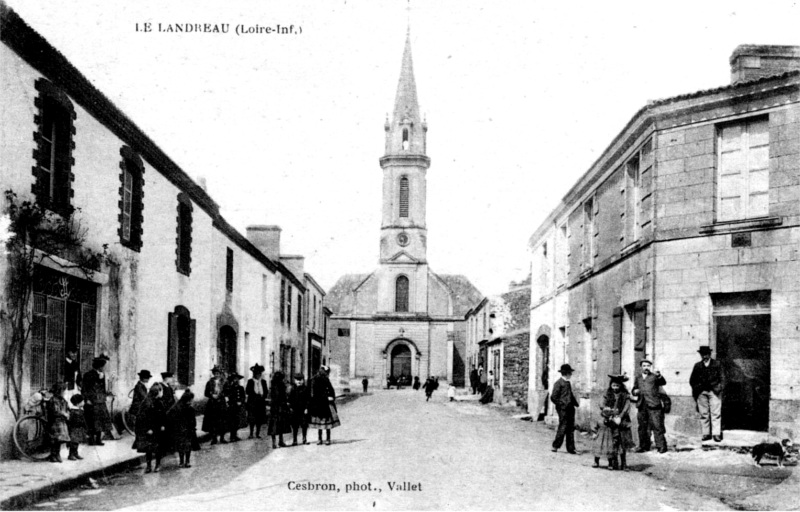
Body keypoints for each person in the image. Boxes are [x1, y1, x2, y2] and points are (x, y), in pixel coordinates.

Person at [592, 374, 635, 470]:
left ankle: (624, 463)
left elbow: (626, 407)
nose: (615, 388)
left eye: (617, 386)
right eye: (613, 386)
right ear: (611, 386)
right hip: (610, 419)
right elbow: (602, 404)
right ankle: (614, 461)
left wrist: (619, 417)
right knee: (612, 441)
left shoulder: (625, 395)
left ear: (621, 386)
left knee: (622, 441)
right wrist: (608, 413)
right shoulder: (607, 394)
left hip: (622, 420)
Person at [689, 346, 725, 442]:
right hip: (702, 392)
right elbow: (692, 380)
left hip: (714, 392)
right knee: (704, 413)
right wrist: (697, 389)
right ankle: (706, 434)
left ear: (709, 354)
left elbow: (723, 378)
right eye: (702, 354)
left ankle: (716, 434)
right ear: (700, 355)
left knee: (716, 413)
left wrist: (719, 388)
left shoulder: (717, 364)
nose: (704, 356)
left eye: (706, 354)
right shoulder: (697, 366)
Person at [632, 359, 668, 453]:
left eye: (648, 365)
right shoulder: (638, 377)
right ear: (641, 367)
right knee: (642, 427)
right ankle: (643, 446)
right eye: (644, 366)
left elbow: (663, 382)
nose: (646, 367)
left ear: (650, 367)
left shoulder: (654, 376)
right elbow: (634, 389)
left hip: (654, 404)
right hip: (642, 405)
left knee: (657, 426)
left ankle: (661, 446)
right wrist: (635, 391)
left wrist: (659, 375)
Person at [134, 383, 166, 473]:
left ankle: (157, 464)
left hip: (158, 428)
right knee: (149, 448)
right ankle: (148, 466)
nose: (162, 393)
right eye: (161, 391)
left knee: (158, 448)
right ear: (157, 392)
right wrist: (148, 429)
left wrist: (163, 425)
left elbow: (163, 415)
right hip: (150, 430)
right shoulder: (147, 403)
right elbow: (142, 418)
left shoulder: (159, 402)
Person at [82, 355, 112, 446]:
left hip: (100, 400)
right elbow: (84, 389)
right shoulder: (88, 375)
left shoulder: (102, 375)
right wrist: (86, 399)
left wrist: (105, 395)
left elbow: (102, 388)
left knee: (100, 421)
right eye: (103, 366)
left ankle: (98, 440)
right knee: (92, 421)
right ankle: (91, 440)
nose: (104, 368)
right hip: (92, 401)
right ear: (99, 366)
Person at [551, 363, 579, 454]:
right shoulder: (558, 383)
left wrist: (575, 403)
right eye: (570, 373)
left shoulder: (567, 383)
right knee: (563, 426)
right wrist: (561, 405)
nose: (571, 375)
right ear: (566, 373)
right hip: (563, 409)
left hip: (570, 408)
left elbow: (569, 395)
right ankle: (555, 446)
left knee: (570, 428)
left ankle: (571, 448)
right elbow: (553, 397)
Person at [309, 365, 339, 445]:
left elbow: (331, 390)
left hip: (323, 404)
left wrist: (332, 397)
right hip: (321, 404)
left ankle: (323, 439)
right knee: (325, 423)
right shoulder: (316, 380)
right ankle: (324, 439)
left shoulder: (322, 379)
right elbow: (315, 393)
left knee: (323, 423)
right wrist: (329, 397)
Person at [167, 390, 197, 469]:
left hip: (188, 430)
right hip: (180, 430)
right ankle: (181, 461)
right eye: (191, 400)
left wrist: (193, 427)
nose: (191, 401)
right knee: (181, 446)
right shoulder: (177, 407)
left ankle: (187, 461)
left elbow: (193, 419)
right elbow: (169, 416)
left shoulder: (189, 408)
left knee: (188, 446)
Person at [46, 382, 70, 463]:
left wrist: (68, 413)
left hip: (61, 421)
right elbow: (55, 411)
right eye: (63, 391)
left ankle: (57, 454)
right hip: (54, 421)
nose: (64, 392)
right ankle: (53, 455)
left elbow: (67, 408)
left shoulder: (62, 400)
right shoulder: (53, 400)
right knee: (55, 439)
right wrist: (64, 414)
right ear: (59, 391)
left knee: (59, 440)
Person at [202, 366, 227, 444]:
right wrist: (211, 395)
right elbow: (206, 393)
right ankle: (214, 438)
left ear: (220, 374)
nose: (216, 375)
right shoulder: (209, 382)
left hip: (221, 403)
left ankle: (222, 438)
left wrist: (222, 396)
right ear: (213, 374)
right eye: (215, 373)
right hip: (212, 404)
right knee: (213, 421)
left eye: (218, 373)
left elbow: (227, 391)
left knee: (222, 420)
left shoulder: (224, 382)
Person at [268, 371, 291, 448]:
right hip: (280, 407)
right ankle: (280, 441)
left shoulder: (273, 384)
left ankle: (274, 443)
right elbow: (281, 396)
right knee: (280, 424)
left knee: (274, 425)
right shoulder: (280, 385)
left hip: (274, 408)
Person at [246, 363, 268, 439]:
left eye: (259, 373)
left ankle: (257, 433)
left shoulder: (263, 382)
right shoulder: (250, 381)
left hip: (260, 403)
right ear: (254, 374)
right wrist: (255, 395)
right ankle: (251, 433)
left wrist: (262, 396)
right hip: (252, 403)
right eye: (256, 373)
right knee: (252, 419)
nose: (258, 375)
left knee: (259, 419)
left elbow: (266, 391)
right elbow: (247, 391)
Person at [288, 373, 310, 446]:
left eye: (300, 380)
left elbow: (308, 399)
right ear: (295, 380)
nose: (299, 382)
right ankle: (295, 440)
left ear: (303, 380)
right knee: (295, 425)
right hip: (295, 410)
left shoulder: (306, 388)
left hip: (303, 410)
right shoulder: (292, 388)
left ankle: (304, 439)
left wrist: (306, 408)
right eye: (297, 380)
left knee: (304, 424)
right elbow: (290, 399)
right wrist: (291, 407)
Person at [224, 373, 246, 442]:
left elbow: (243, 396)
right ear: (232, 380)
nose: (236, 380)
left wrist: (241, 402)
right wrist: (234, 402)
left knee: (237, 421)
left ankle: (235, 435)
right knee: (232, 421)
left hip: (239, 407)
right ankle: (232, 436)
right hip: (232, 406)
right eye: (234, 379)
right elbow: (229, 396)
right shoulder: (230, 388)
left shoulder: (241, 388)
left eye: (237, 379)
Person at [67, 394, 87, 460]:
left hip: (79, 428)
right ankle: (71, 454)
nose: (84, 402)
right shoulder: (73, 411)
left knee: (77, 442)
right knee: (73, 442)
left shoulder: (80, 410)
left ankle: (76, 453)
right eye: (82, 401)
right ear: (78, 403)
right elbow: (71, 421)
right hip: (74, 429)